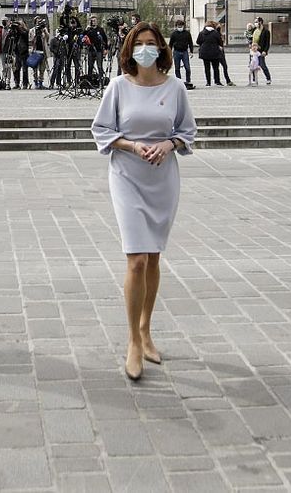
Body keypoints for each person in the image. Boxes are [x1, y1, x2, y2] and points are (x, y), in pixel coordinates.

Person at [91, 22, 197, 381]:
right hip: (127, 174)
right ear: (130, 48)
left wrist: (169, 144)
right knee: (135, 258)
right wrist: (133, 145)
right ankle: (133, 340)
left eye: (152, 43)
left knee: (152, 256)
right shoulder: (119, 87)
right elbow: (102, 129)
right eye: (140, 44)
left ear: (162, 48)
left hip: (162, 178)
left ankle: (147, 328)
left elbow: (187, 131)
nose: (146, 49)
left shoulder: (176, 87)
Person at [196, 20, 224, 87]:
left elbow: (198, 42)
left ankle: (208, 82)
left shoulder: (201, 33)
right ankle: (217, 81)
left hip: (204, 52)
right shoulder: (216, 33)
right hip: (215, 52)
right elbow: (220, 42)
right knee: (216, 68)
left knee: (207, 68)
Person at [168, 18, 194, 89]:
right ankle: (178, 82)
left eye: (181, 26)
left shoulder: (187, 33)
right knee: (177, 68)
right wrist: (169, 53)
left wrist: (191, 51)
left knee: (187, 68)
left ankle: (188, 81)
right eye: (178, 26)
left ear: (183, 26)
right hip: (176, 52)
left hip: (185, 51)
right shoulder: (174, 34)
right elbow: (170, 44)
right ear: (176, 26)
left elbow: (190, 43)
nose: (180, 27)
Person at [84, 15, 109, 80]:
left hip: (98, 50)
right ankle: (89, 80)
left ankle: (101, 80)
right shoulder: (89, 30)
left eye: (94, 21)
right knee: (90, 66)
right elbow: (83, 36)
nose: (93, 22)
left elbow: (105, 39)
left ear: (97, 21)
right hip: (90, 49)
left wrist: (106, 49)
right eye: (92, 21)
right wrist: (86, 30)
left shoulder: (100, 29)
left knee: (99, 66)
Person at [29, 17, 51, 89]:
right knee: (35, 69)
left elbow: (48, 38)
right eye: (38, 22)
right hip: (35, 51)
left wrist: (44, 30)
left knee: (42, 69)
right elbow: (30, 40)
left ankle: (41, 83)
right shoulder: (32, 30)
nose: (39, 23)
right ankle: (36, 83)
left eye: (40, 22)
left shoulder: (44, 29)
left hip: (43, 51)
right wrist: (36, 34)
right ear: (35, 22)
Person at [253, 17, 272, 85]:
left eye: (256, 22)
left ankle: (268, 78)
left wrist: (265, 51)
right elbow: (252, 40)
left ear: (260, 22)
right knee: (253, 65)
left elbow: (267, 43)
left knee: (262, 65)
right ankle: (254, 79)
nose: (255, 23)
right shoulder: (255, 30)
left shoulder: (266, 31)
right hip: (253, 51)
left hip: (261, 51)